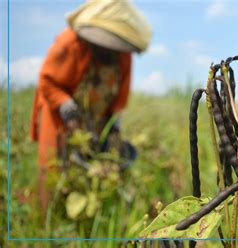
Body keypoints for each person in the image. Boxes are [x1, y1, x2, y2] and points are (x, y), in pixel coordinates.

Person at [29, 0, 152, 215]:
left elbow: (121, 95)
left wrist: (114, 124)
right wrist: (67, 108)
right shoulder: (69, 42)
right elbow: (47, 81)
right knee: (52, 169)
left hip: (97, 116)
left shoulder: (123, 54)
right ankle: (45, 222)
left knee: (90, 164)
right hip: (58, 114)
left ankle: (84, 218)